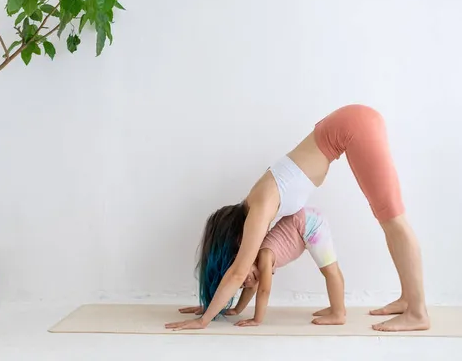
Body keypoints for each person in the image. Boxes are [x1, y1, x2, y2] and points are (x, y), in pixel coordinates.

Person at [165, 104, 428, 332]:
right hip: (351, 124)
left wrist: (203, 321)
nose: (244, 254)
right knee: (389, 219)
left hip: (353, 127)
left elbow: (237, 273)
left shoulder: (258, 209)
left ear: (233, 238)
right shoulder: (258, 199)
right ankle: (408, 298)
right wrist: (210, 304)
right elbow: (237, 273)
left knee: (392, 219)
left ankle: (417, 313)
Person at [178, 206, 346, 325]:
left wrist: (257, 319)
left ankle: (338, 313)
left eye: (245, 277)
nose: (248, 281)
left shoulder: (264, 257)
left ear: (245, 261)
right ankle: (336, 307)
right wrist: (237, 310)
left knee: (330, 271)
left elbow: (264, 290)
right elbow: (252, 287)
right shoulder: (255, 267)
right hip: (304, 221)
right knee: (329, 271)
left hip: (309, 223)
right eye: (243, 284)